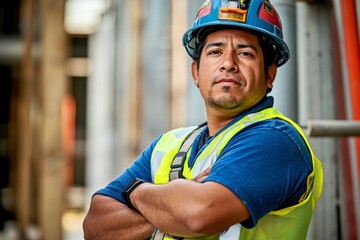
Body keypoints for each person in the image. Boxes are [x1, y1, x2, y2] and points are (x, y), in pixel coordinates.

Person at [83, 0, 323, 239]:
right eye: (215, 51)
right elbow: (96, 226)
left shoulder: (276, 140)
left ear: (269, 74)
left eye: (245, 53)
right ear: (196, 72)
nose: (228, 64)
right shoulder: (170, 144)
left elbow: (198, 215)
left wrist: (136, 190)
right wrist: (173, 204)